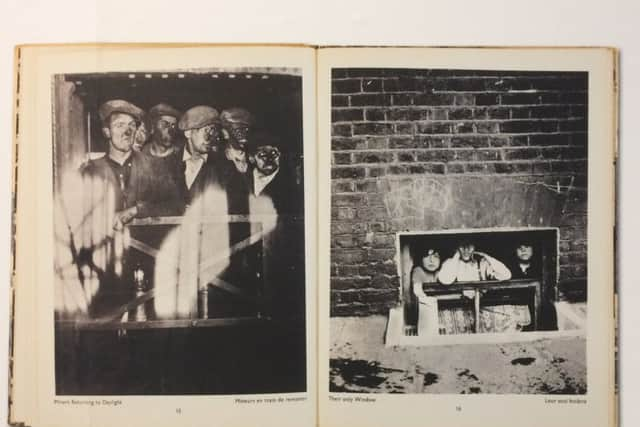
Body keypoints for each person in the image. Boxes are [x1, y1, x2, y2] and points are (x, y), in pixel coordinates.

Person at [81, 99, 184, 229]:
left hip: (146, 247)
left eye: (131, 125)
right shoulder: (91, 170)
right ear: (107, 132)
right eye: (120, 125)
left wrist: (136, 210)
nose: (127, 131)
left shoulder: (155, 167)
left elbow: (177, 205)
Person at [177, 105, 224, 206]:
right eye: (206, 131)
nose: (210, 138)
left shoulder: (223, 167)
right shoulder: (169, 163)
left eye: (213, 131)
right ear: (188, 133)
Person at [438, 240, 512, 285]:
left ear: (475, 247)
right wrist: (456, 255)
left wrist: (485, 256)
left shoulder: (482, 263)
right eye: (462, 245)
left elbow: (506, 275)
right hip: (459, 306)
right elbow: (445, 280)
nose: (466, 249)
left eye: (469, 245)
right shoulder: (450, 262)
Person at [405, 249, 441, 336]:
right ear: (420, 258)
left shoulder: (440, 271)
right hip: (424, 312)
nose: (431, 260)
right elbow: (417, 291)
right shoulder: (418, 271)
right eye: (427, 256)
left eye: (436, 257)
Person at [220, 107, 253, 174]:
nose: (244, 134)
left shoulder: (254, 158)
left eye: (246, 129)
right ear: (225, 133)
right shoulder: (218, 160)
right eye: (238, 130)